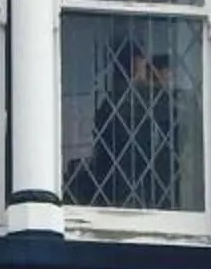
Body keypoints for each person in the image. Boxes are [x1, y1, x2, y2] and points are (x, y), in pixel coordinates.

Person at [77, 31, 189, 213]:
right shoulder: (137, 99)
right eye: (143, 63)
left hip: (124, 175)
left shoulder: (113, 101)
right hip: (135, 174)